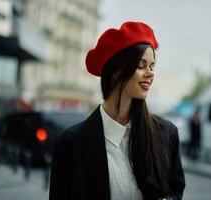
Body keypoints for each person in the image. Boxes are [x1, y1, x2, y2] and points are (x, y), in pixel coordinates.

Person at [49, 21, 185, 200]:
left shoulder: (166, 134)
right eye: (141, 65)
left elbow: (175, 191)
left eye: (152, 66)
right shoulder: (70, 144)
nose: (150, 73)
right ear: (115, 71)